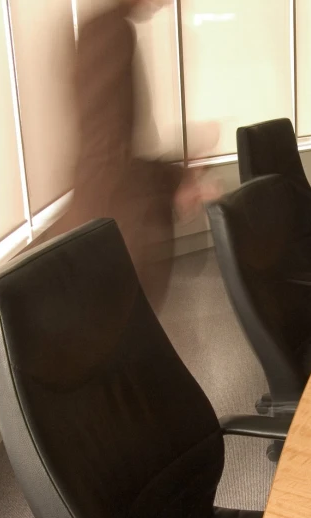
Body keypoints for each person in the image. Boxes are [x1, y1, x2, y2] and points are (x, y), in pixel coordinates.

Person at [52, 0, 218, 311]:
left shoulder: (107, 28)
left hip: (113, 225)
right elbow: (107, 153)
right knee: (128, 342)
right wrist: (175, 180)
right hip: (115, 229)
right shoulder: (109, 33)